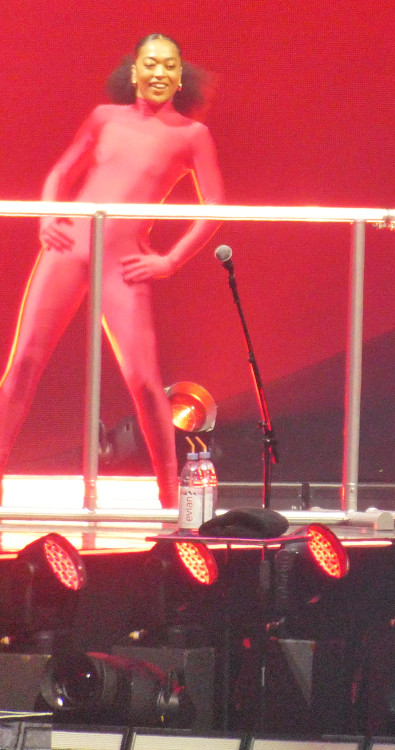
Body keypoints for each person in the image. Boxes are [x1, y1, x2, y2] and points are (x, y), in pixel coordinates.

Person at [0, 34, 224, 508]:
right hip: (68, 247)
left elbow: (215, 209)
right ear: (134, 71)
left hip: (121, 263)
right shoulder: (105, 118)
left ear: (180, 76)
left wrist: (169, 260)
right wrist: (47, 218)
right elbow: (62, 172)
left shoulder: (191, 135)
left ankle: (171, 499)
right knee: (22, 363)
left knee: (144, 380)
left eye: (169, 65)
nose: (159, 73)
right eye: (150, 64)